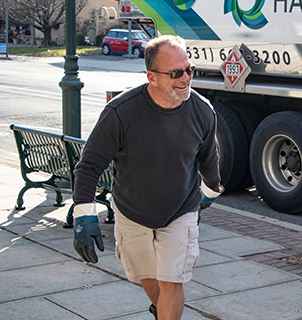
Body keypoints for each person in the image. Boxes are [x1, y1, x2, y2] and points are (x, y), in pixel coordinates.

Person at [71, 35, 223, 320]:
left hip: (180, 210)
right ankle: (162, 308)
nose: (186, 78)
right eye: (176, 73)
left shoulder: (202, 111)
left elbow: (208, 158)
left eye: (189, 70)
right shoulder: (121, 112)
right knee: (148, 278)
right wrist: (83, 215)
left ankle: (166, 309)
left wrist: (210, 191)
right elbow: (89, 165)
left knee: (171, 281)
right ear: (151, 77)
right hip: (132, 211)